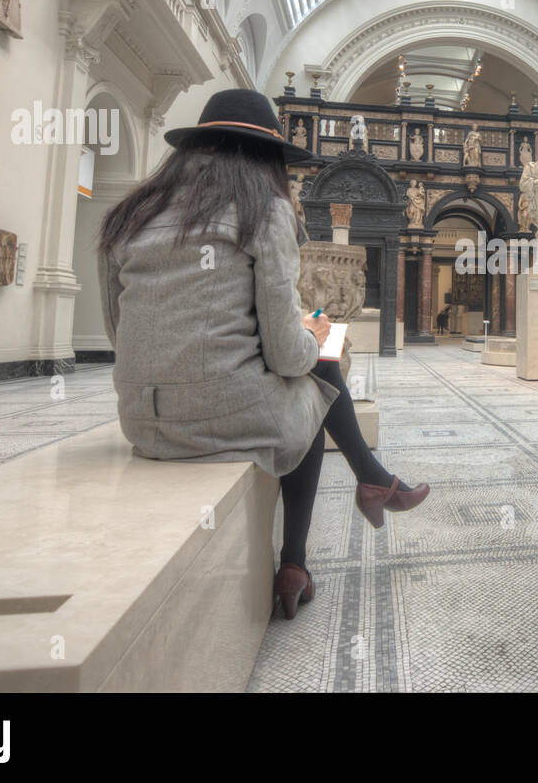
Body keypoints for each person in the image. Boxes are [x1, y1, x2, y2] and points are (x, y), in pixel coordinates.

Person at [97, 89, 429, 623]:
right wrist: (313, 334)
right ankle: (300, 555)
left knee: (311, 375)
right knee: (316, 383)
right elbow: (283, 354)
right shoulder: (264, 210)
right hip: (218, 416)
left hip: (139, 419)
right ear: (268, 158)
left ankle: (370, 483)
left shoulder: (130, 213)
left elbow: (119, 330)